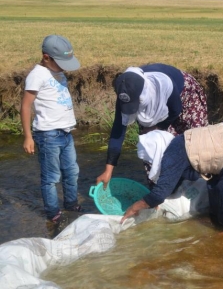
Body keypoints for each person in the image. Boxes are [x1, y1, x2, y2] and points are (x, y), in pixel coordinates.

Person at [121, 118, 223, 230]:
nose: (149, 164)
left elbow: (159, 194)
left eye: (148, 160)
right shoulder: (176, 143)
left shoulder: (171, 157)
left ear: (154, 152)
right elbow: (176, 181)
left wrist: (135, 207)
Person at [96, 63, 209, 187]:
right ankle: (159, 189)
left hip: (184, 94)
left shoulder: (163, 85)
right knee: (150, 145)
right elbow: (118, 131)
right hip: (156, 104)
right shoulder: (125, 95)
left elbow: (175, 110)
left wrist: (159, 127)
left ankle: (198, 184)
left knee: (193, 141)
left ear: (143, 95)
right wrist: (108, 170)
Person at [20, 35, 84, 223]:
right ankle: (53, 212)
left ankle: (71, 204)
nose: (65, 67)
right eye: (62, 62)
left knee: (72, 171)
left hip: (65, 132)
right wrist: (27, 137)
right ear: (46, 57)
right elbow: (25, 106)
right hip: (48, 135)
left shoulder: (57, 71)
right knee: (51, 177)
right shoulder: (37, 75)